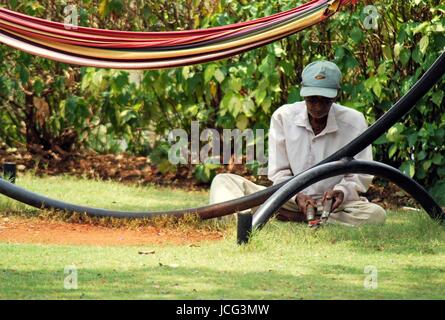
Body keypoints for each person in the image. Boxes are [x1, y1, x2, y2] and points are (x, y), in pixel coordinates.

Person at [209, 61, 386, 226]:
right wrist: (296, 197)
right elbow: (279, 173)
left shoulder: (353, 121)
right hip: (286, 200)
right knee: (223, 181)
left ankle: (278, 216)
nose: (317, 107)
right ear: (303, 93)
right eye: (312, 100)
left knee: (376, 214)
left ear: (336, 95)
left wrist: (341, 192)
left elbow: (359, 175)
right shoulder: (283, 117)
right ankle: (263, 216)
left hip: (332, 206)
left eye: (324, 101)